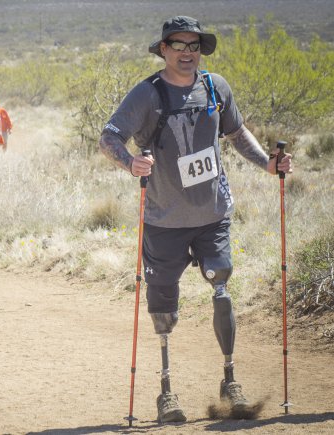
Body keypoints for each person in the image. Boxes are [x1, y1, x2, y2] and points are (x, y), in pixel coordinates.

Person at [99, 16, 293, 423]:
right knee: (163, 303)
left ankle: (230, 380)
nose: (188, 52)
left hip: (212, 212)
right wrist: (130, 162)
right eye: (179, 45)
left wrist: (269, 166)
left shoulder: (215, 87)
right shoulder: (147, 94)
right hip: (164, 218)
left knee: (220, 278)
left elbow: (237, 134)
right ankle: (166, 391)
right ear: (163, 50)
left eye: (195, 45)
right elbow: (109, 137)